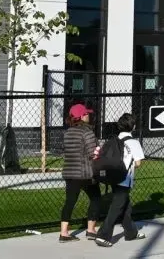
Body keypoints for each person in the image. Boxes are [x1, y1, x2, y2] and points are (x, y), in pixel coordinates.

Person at [94, 113, 146, 247]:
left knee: (125, 207)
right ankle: (103, 235)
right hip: (125, 178)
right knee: (116, 208)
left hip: (113, 177)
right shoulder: (134, 143)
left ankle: (131, 232)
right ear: (133, 127)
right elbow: (139, 163)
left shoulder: (113, 140)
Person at [59, 103, 101, 242]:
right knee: (95, 198)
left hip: (69, 172)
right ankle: (91, 229)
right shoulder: (87, 132)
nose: (89, 115)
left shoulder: (67, 132)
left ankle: (64, 232)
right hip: (85, 173)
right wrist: (100, 151)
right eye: (87, 114)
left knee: (70, 201)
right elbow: (92, 153)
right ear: (82, 116)